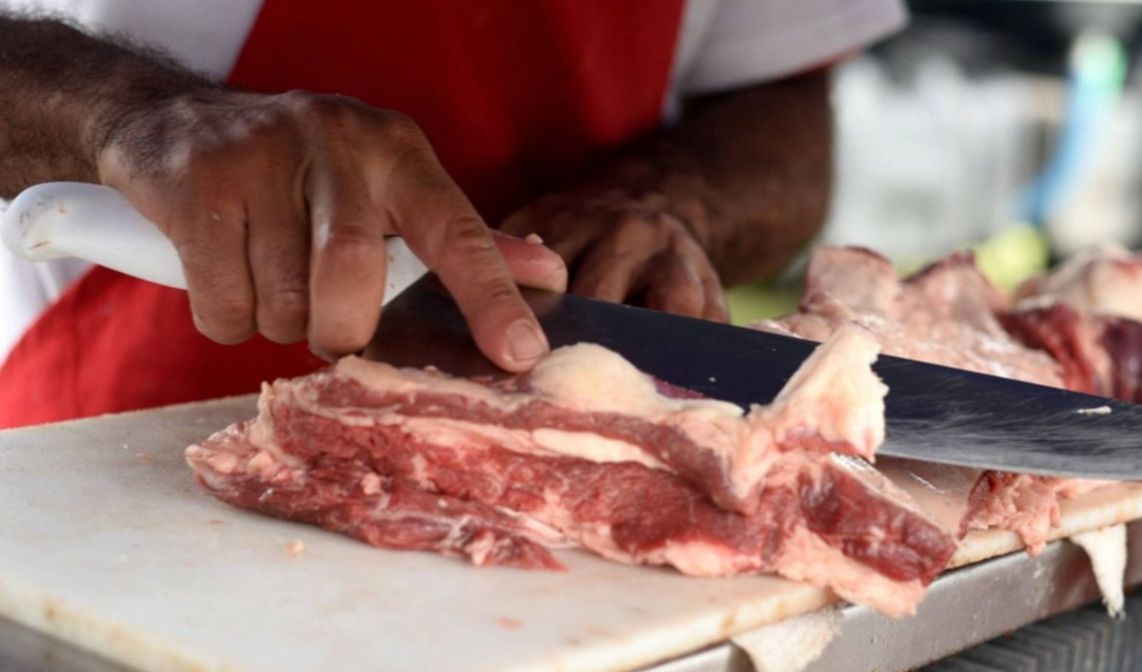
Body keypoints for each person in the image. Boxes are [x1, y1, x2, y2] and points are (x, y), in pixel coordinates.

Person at [0, 0, 907, 428]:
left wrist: (675, 194)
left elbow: (781, 106)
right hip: (112, 442)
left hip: (560, 477)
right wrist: (122, 110)